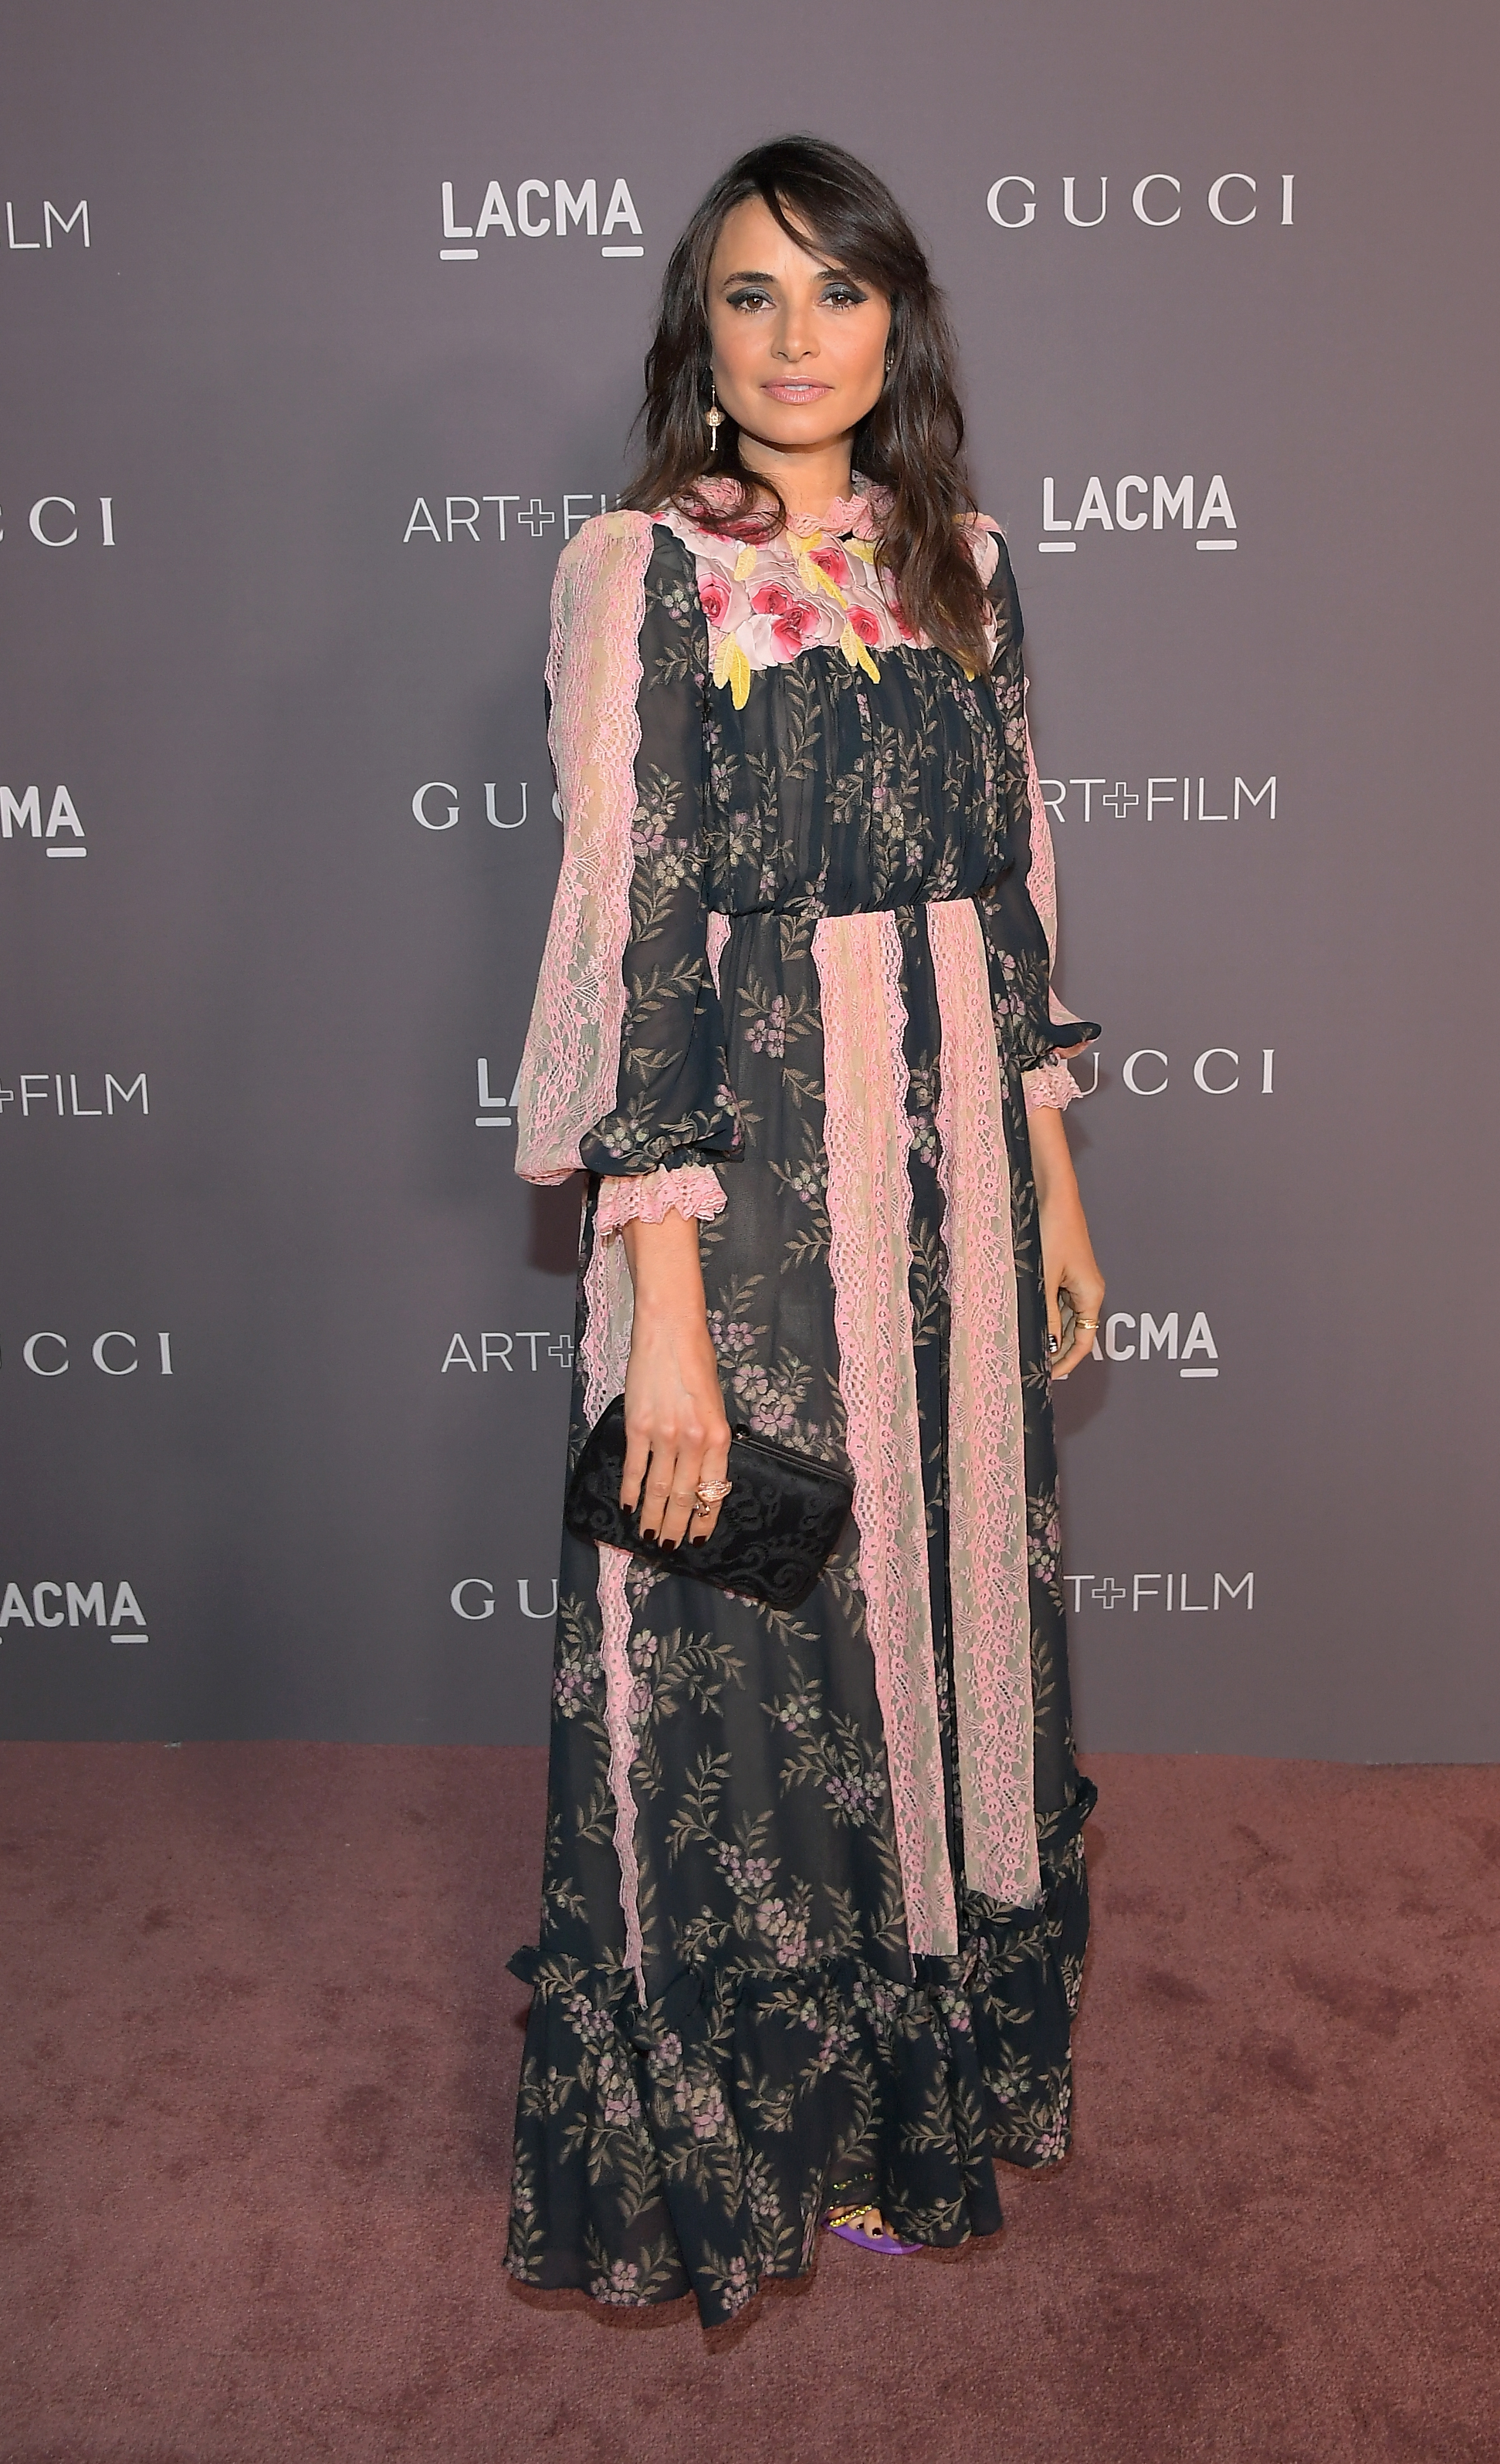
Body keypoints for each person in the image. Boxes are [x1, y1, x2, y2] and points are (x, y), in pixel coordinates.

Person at [506, 135, 1105, 2330]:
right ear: (699, 329)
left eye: (834, 294)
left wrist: (1048, 1182)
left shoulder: (967, 561)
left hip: (950, 1189)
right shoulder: (638, 569)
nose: (791, 339)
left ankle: (901, 2105)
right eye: (748, 296)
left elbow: (1015, 898)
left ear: (897, 325)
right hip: (745, 1205)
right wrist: (656, 1312)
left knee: (939, 1628)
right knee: (748, 1648)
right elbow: (630, 925)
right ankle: (734, 2142)